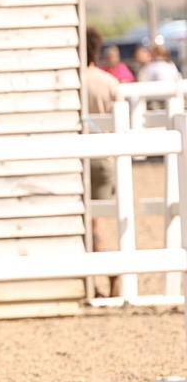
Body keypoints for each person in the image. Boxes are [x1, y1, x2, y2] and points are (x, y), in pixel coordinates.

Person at [84, 27, 122, 298]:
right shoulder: (109, 82)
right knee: (98, 225)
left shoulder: (73, 80)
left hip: (78, 158)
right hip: (102, 157)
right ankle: (110, 274)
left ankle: (97, 282)